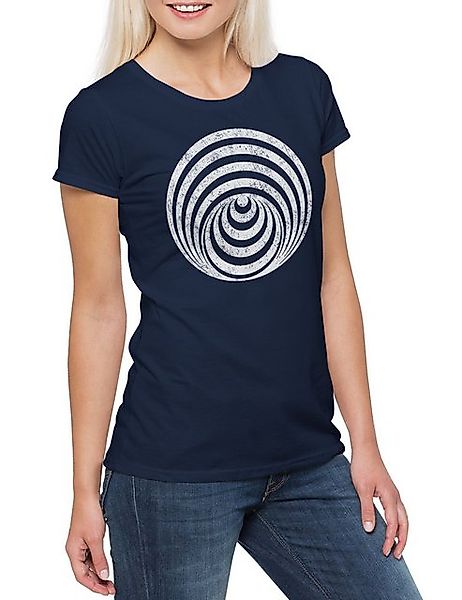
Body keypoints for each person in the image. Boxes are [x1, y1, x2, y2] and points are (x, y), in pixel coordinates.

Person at [52, 1, 423, 598]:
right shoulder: (101, 115)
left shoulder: (303, 89)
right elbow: (98, 309)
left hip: (307, 458)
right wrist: (82, 490)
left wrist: (366, 445)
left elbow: (333, 278)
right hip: (169, 473)